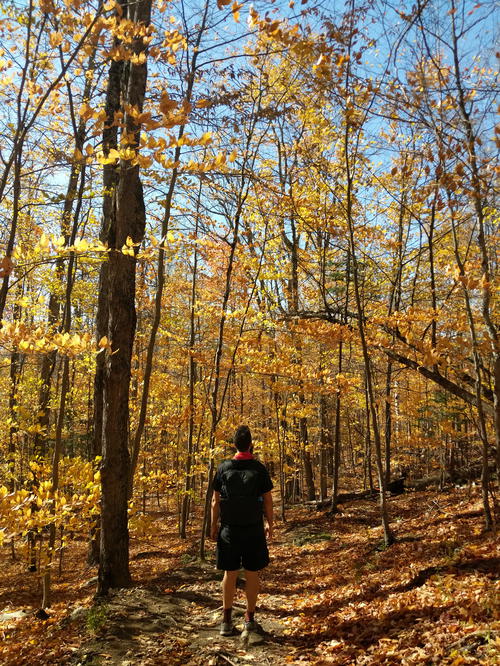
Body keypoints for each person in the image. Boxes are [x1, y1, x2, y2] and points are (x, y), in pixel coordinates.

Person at [210, 425, 274, 637]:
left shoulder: (223, 468)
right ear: (251, 444)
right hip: (253, 529)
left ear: (234, 445)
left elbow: (214, 502)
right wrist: (270, 524)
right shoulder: (259, 468)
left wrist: (213, 526)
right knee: (252, 573)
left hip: (229, 529)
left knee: (230, 573)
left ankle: (226, 621)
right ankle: (249, 618)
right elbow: (268, 500)